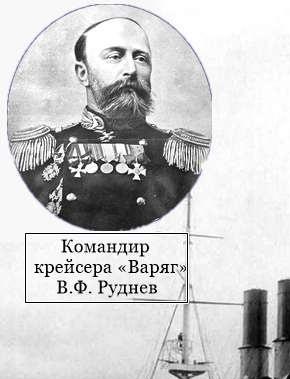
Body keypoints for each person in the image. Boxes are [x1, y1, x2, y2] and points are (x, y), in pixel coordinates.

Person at [10, 17, 210, 230]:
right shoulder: (37, 153)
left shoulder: (182, 156)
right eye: (115, 56)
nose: (132, 69)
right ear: (83, 74)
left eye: (141, 58)